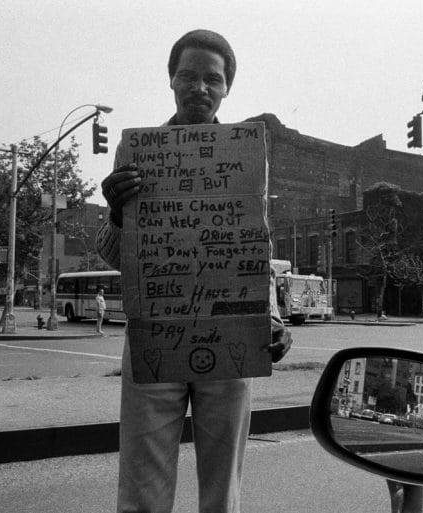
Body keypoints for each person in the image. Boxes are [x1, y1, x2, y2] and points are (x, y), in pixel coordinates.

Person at [96, 29, 293, 513]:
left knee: (222, 493)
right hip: (155, 337)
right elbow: (114, 257)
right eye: (188, 76)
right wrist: (119, 215)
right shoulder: (137, 153)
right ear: (170, 80)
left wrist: (271, 319)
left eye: (212, 79)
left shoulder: (245, 154)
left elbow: (251, 250)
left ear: (227, 88)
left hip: (229, 339)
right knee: (143, 489)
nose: (199, 88)